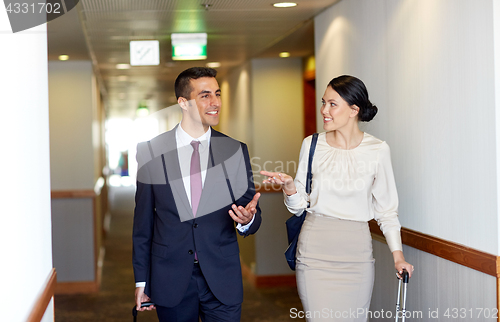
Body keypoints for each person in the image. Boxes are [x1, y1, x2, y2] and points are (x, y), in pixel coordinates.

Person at [261, 75, 413, 321]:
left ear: (354, 110)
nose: (324, 110)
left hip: (357, 255)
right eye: (323, 103)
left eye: (332, 104)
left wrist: (398, 256)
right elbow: (298, 207)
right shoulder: (311, 144)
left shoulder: (377, 150)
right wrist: (289, 187)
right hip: (314, 253)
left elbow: (387, 211)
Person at [133, 67, 262, 322]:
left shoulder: (235, 150)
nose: (215, 103)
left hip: (222, 276)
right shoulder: (152, 151)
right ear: (183, 103)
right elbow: (143, 223)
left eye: (217, 94)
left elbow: (251, 212)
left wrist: (247, 220)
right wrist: (141, 280)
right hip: (170, 277)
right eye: (205, 96)